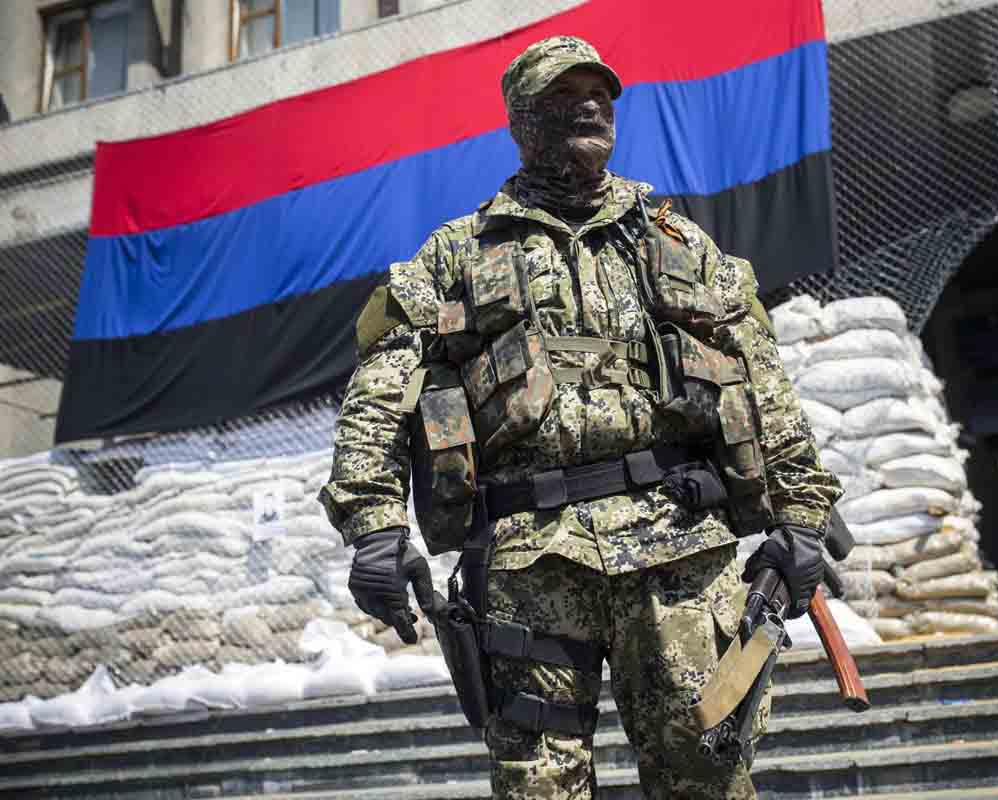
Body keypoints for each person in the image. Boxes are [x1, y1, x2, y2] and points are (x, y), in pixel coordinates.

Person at [319, 35, 843, 800]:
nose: (590, 107)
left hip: (678, 554)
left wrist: (800, 514)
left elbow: (763, 377)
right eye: (563, 98)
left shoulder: (677, 242)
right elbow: (380, 391)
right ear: (522, 123)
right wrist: (373, 525)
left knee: (708, 774)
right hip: (529, 569)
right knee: (538, 788)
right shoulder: (454, 257)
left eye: (599, 95)